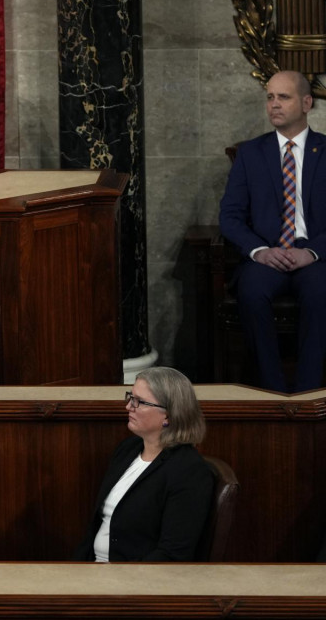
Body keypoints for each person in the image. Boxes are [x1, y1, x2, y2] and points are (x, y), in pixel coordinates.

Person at [219, 70, 326, 393]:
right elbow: (230, 216)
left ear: (307, 103)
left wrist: (311, 252)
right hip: (266, 255)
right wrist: (259, 251)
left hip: (315, 257)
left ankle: (308, 393)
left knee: (321, 293)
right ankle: (273, 392)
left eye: (284, 97)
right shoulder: (251, 153)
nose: (274, 105)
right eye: (270, 97)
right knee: (251, 292)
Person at [73, 367, 214, 562]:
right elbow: (97, 526)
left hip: (135, 581)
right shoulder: (128, 450)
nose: (129, 407)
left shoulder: (189, 472)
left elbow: (172, 554)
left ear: (169, 416)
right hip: (94, 569)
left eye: (139, 402)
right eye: (130, 397)